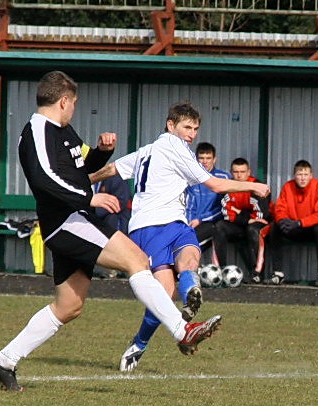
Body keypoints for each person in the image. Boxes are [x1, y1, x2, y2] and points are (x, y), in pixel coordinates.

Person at [0, 72, 222, 391]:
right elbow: (43, 180)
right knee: (137, 259)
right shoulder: (37, 131)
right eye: (74, 104)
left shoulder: (62, 130)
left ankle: (5, 360)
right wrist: (88, 197)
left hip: (73, 218)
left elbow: (77, 172)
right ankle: (182, 331)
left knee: (69, 306)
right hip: (66, 221)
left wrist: (100, 153)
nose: (74, 110)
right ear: (63, 101)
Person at [90, 102, 270, 372]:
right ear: (171, 125)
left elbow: (114, 168)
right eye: (187, 127)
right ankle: (140, 343)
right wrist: (253, 185)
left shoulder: (147, 150)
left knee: (190, 256)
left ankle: (190, 295)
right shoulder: (174, 146)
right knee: (163, 294)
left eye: (196, 128)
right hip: (150, 225)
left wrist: (84, 178)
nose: (192, 133)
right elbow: (215, 184)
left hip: (176, 221)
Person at [268, 160, 318, 287]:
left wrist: (300, 223)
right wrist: (282, 220)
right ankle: (277, 273)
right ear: (294, 175)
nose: (302, 178)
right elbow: (279, 209)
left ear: (311, 175)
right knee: (275, 227)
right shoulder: (287, 187)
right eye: (299, 174)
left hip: (316, 228)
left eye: (305, 174)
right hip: (297, 227)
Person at [212, 157, 271, 282]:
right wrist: (246, 218)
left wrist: (239, 213)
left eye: (242, 172)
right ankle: (221, 270)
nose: (239, 175)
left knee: (253, 230)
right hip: (239, 224)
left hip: (258, 226)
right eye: (236, 172)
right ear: (231, 172)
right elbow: (226, 212)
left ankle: (257, 273)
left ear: (249, 172)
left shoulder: (257, 186)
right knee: (219, 226)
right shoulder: (227, 187)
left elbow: (261, 214)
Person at [185, 142, 231, 263]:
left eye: (208, 158)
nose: (205, 161)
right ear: (196, 159)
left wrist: (200, 219)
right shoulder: (191, 179)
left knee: (191, 242)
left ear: (214, 159)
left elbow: (224, 207)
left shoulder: (223, 177)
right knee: (183, 237)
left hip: (215, 222)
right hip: (195, 222)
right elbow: (189, 204)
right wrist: (188, 222)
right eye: (201, 158)